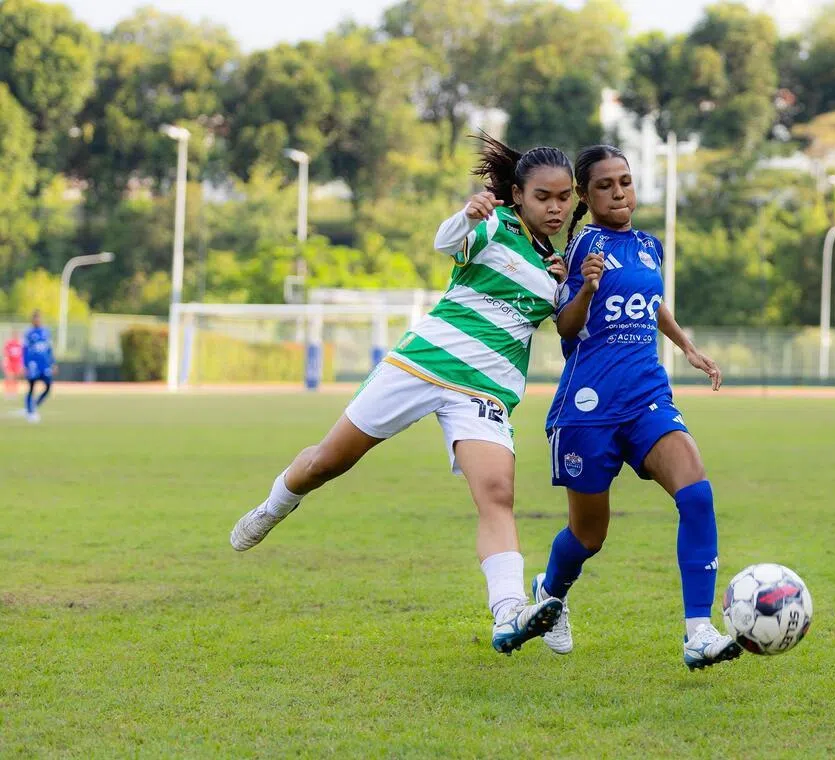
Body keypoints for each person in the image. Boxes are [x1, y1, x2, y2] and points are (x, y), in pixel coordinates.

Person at [229, 135, 577, 656]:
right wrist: (467, 215)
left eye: (563, 197)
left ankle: (508, 611)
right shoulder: (494, 224)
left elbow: (568, 323)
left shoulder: (557, 266)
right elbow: (446, 243)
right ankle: (276, 504)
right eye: (543, 197)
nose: (555, 207)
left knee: (497, 494)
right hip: (421, 364)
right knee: (328, 462)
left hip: (483, 391)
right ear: (518, 196)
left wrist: (569, 287)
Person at [531, 145, 740, 670]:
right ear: (585, 195)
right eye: (604, 185)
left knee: (696, 494)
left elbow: (651, 300)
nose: (619, 192)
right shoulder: (583, 246)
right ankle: (550, 593)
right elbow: (566, 326)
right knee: (589, 536)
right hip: (589, 407)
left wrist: (686, 346)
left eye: (624, 181)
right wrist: (586, 289)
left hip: (647, 397)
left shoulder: (649, 246)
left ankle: (698, 632)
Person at [23, 311, 54, 423]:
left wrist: (53, 363)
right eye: (35, 319)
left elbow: (49, 349)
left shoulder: (46, 332)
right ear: (32, 320)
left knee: (48, 387)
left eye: (39, 319)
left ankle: (35, 404)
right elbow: (25, 350)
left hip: (44, 365)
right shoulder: (29, 333)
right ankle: (30, 411)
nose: (37, 321)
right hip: (33, 365)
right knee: (31, 388)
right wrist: (25, 365)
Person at [3, 331, 21, 396]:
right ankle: (8, 391)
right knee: (9, 377)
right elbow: (6, 354)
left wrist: (21, 364)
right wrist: (6, 361)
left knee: (16, 377)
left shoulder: (19, 344)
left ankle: (14, 391)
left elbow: (21, 355)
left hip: (17, 363)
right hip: (10, 363)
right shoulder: (9, 344)